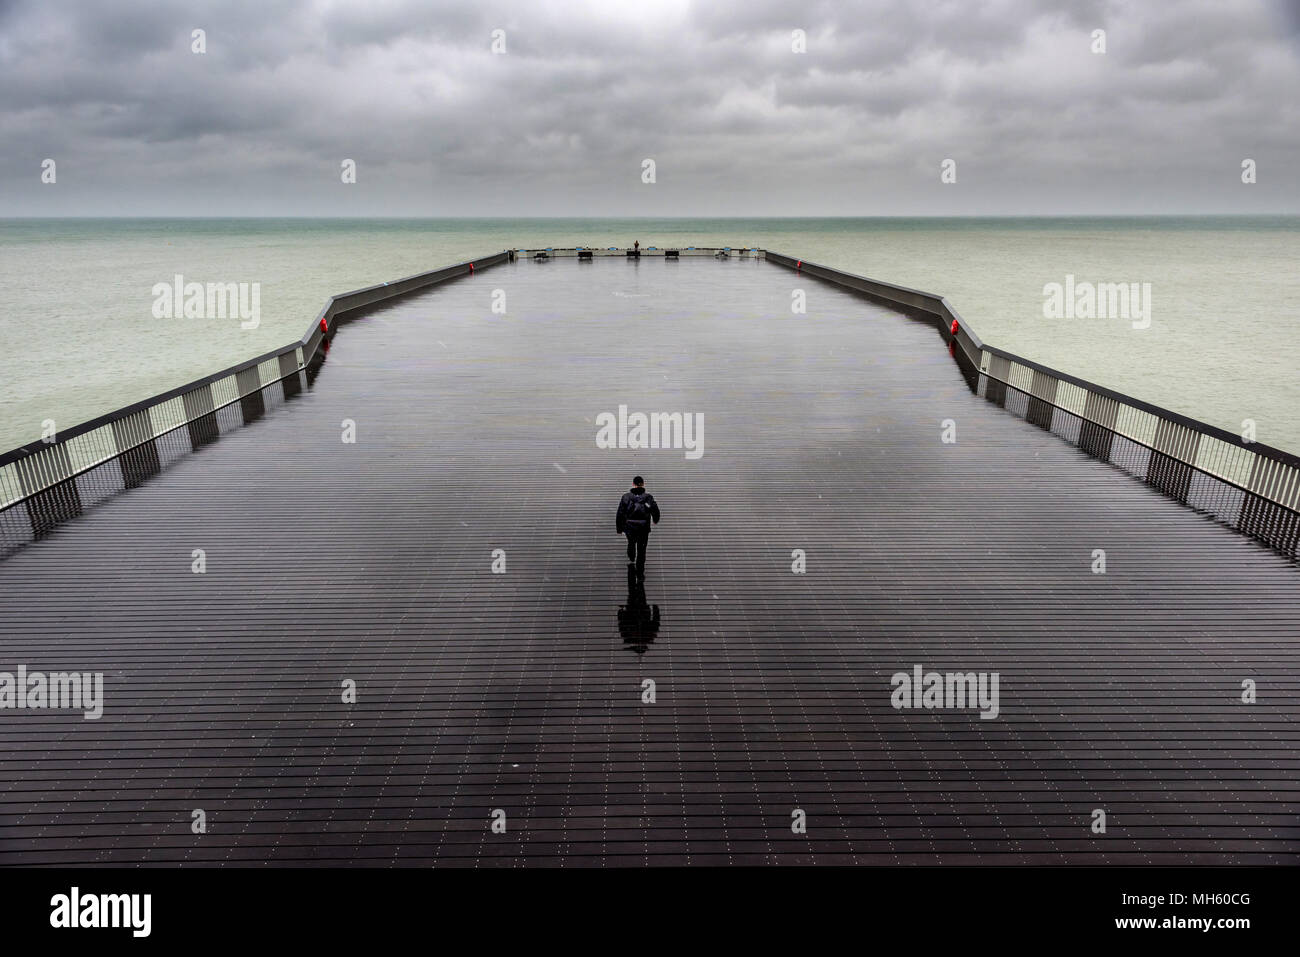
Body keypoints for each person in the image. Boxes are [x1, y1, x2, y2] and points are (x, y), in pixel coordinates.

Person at [615, 476, 660, 579]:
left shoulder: (626, 497)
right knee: (642, 548)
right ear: (643, 484)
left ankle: (631, 556)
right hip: (643, 528)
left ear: (633, 484)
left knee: (631, 542)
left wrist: (619, 528)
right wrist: (655, 519)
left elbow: (620, 513)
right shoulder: (648, 497)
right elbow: (655, 509)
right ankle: (640, 571)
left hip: (629, 527)